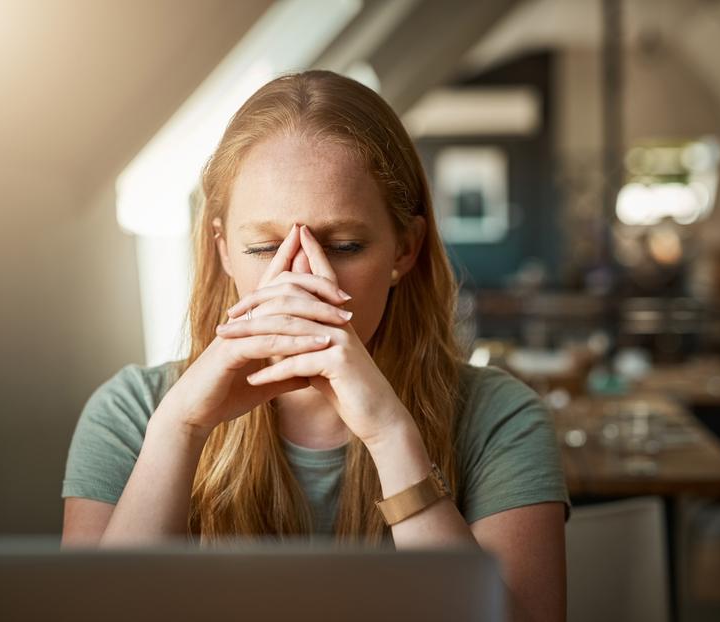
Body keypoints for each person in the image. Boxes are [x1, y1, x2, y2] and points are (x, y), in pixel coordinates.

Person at [62, 70, 569, 621]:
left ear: (405, 249)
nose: (302, 280)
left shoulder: (499, 418)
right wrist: (178, 429)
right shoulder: (132, 411)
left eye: (345, 245)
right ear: (224, 250)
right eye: (264, 248)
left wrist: (392, 435)